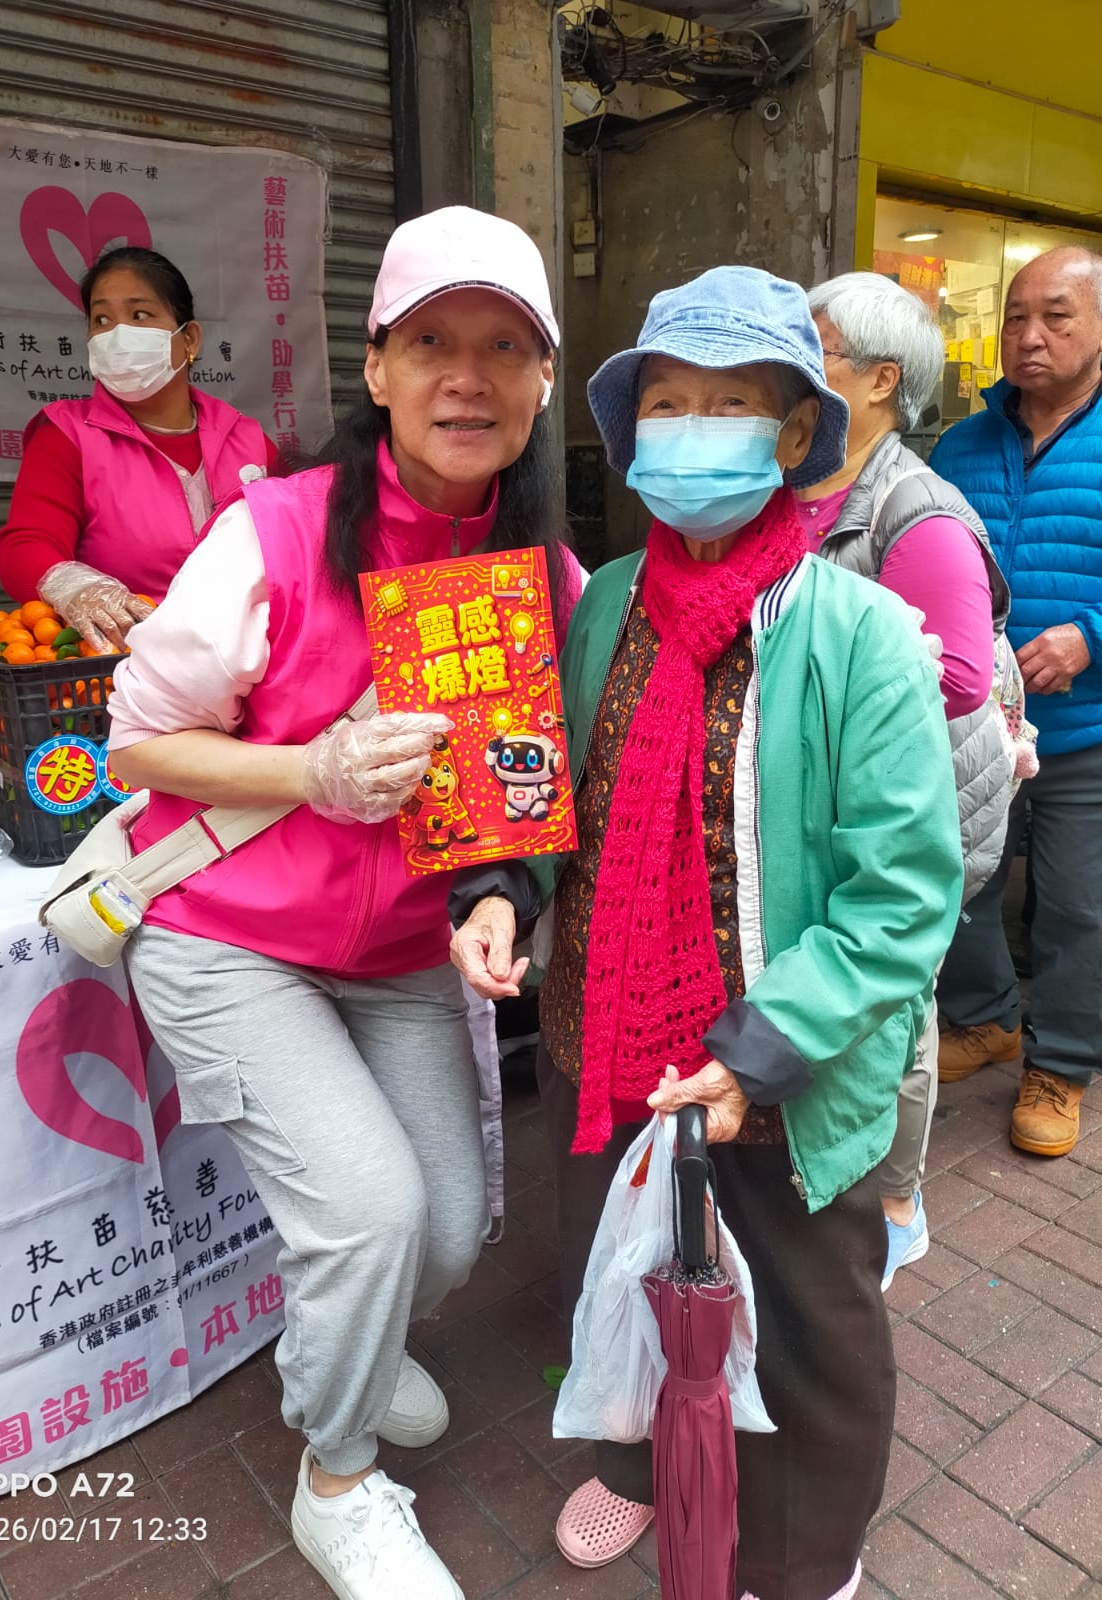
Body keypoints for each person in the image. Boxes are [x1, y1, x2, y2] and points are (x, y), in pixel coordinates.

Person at [450, 266, 963, 1600]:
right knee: (621, 1277)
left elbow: (904, 893)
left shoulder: (861, 633)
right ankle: (637, 1466)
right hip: (607, 1038)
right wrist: (502, 892)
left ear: (793, 433)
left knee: (803, 1325)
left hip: (784, 1063)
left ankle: (802, 1557)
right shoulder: (605, 603)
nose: (690, 432)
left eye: (728, 405)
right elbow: (552, 792)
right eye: (666, 403)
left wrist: (759, 1049)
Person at [106, 206, 580, 1600]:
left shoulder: (545, 574)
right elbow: (137, 745)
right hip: (228, 938)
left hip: (399, 951)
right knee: (371, 1214)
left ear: (543, 383)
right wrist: (308, 770)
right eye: (431, 343)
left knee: (447, 1228)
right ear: (376, 369)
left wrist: (501, 902)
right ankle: (339, 1479)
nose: (467, 379)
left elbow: (520, 792)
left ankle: (345, 1352)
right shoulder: (273, 531)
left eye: (505, 349)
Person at [800, 270, 1012, 1288]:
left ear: (880, 380)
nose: (793, 370)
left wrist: (814, 686)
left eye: (817, 350)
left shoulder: (917, 510)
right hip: (827, 795)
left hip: (907, 806)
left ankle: (897, 1201)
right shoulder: (800, 485)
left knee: (895, 1002)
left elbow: (958, 675)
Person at [932, 246, 1102, 1158]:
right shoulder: (962, 444)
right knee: (961, 883)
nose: (1030, 336)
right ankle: (986, 1019)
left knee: (1076, 906)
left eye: (1057, 316)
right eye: (1015, 318)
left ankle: (1061, 1063)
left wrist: (1093, 637)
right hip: (974, 727)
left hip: (1084, 730)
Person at [0, 246, 276, 651]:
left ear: (189, 339)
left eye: (140, 315)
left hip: (253, 660)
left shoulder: (246, 438)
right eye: (102, 320)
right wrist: (76, 588)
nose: (117, 335)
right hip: (125, 666)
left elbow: (305, 542)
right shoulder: (67, 435)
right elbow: (26, 544)